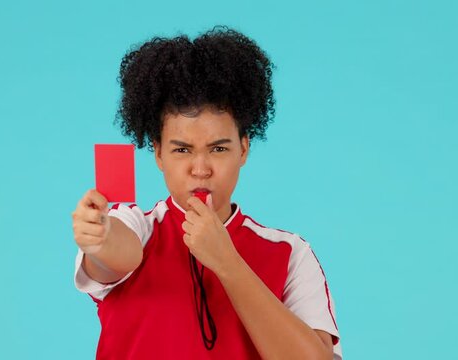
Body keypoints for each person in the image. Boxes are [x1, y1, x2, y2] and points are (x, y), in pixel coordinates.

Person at [72, 26, 342, 359]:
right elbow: (119, 255)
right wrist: (99, 237)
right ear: (158, 153)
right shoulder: (137, 227)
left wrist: (228, 263)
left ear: (243, 149)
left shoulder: (290, 254)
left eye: (218, 149)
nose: (200, 169)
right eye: (182, 150)